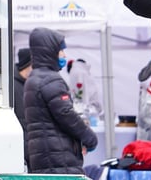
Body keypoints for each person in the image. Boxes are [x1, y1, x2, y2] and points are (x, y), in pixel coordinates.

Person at [24, 27, 97, 176]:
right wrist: (89, 138)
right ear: (49, 52)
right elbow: (67, 115)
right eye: (60, 50)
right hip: (59, 159)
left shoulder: (33, 79)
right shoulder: (50, 80)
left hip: (42, 156)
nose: (64, 55)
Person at [66, 58, 103, 125]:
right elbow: (86, 92)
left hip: (77, 108)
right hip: (88, 109)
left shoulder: (74, 71)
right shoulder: (83, 72)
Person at [13, 47, 32, 168]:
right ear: (28, 65)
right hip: (20, 148)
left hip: (31, 146)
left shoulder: (31, 84)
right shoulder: (11, 85)